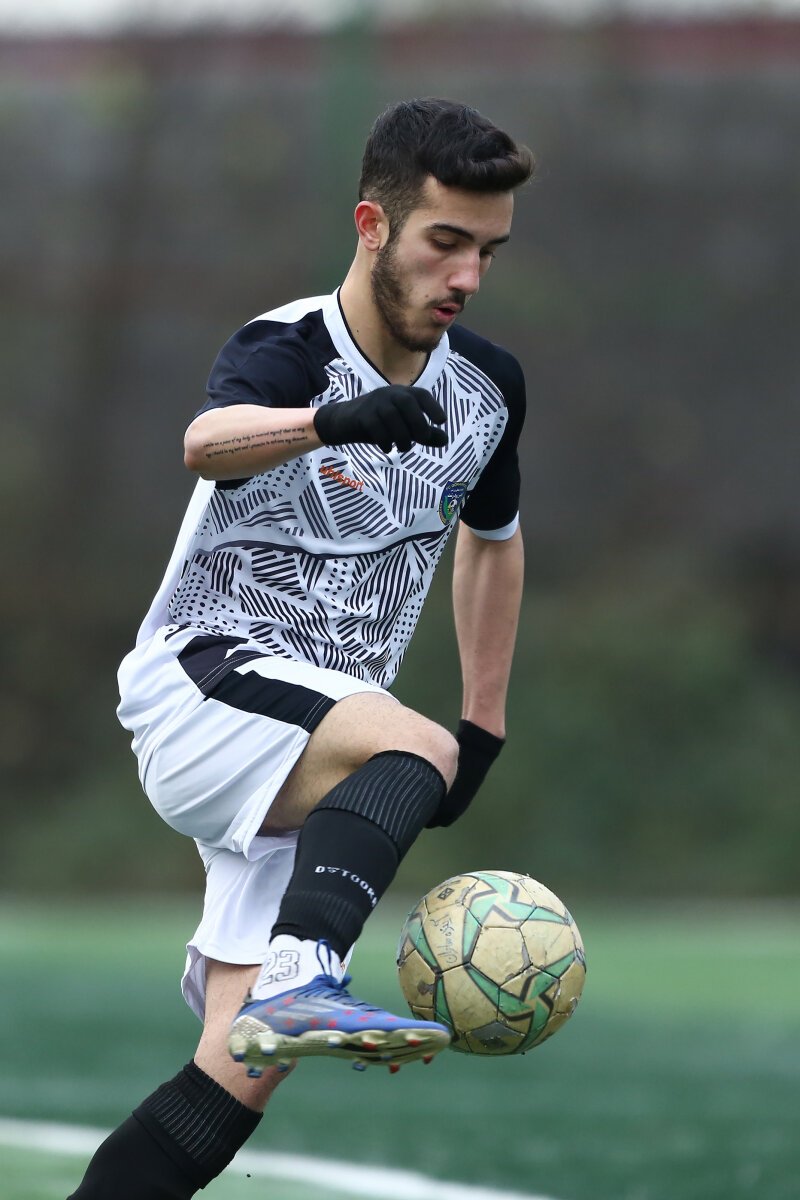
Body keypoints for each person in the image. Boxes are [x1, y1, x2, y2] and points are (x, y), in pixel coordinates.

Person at [68, 97, 534, 1199]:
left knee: (233, 1076)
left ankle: (281, 996)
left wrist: (483, 726)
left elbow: (492, 542)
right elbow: (206, 444)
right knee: (408, 747)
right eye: (444, 241)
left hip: (312, 736)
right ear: (372, 225)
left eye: (487, 250)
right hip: (202, 684)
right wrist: (330, 421)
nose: (466, 275)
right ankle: (304, 972)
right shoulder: (286, 346)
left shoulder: (487, 389)